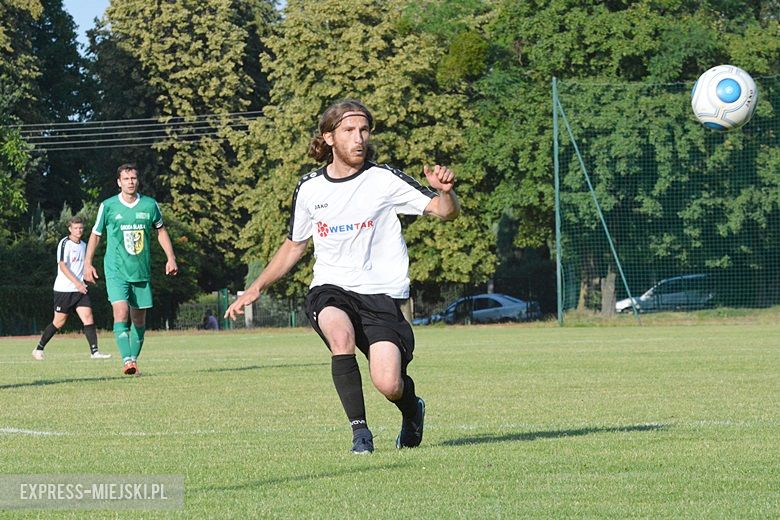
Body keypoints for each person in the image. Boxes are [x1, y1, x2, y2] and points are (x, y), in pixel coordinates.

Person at [225, 100, 460, 454]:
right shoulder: (309, 189)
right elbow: (294, 246)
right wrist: (255, 288)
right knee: (340, 336)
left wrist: (446, 192)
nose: (359, 138)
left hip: (381, 295)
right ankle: (361, 435)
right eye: (349, 130)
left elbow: (445, 213)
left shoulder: (384, 179)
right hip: (330, 288)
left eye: (364, 130)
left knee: (389, 384)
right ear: (329, 137)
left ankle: (412, 409)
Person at [84, 163, 178, 375]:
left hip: (140, 271)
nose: (130, 182)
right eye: (126, 179)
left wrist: (171, 258)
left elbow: (161, 231)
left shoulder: (149, 205)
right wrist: (87, 263)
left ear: (138, 180)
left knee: (139, 320)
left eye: (133, 178)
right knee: (121, 312)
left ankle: (133, 359)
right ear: (119, 182)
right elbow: (96, 235)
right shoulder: (108, 206)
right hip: (116, 270)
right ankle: (127, 360)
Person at [32, 216, 112, 361]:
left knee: (88, 317)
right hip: (64, 290)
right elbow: (62, 266)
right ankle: (39, 348)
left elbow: (84, 266)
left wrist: (88, 277)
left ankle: (95, 352)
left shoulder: (84, 245)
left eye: (81, 228)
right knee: (59, 322)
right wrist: (77, 283)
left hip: (80, 290)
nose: (78, 230)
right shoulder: (65, 243)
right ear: (70, 229)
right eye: (75, 228)